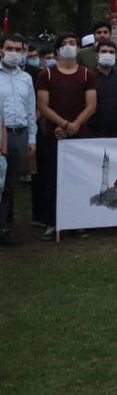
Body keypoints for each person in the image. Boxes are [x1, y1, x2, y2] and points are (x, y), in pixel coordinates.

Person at [35, 34, 96, 240]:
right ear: (58, 49)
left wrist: (74, 126)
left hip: (78, 134)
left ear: (79, 48)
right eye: (65, 44)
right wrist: (63, 125)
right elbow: (43, 105)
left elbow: (91, 105)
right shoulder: (47, 75)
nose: (69, 47)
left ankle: (77, 221)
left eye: (73, 44)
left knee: (78, 178)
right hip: (53, 134)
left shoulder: (87, 74)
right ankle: (53, 222)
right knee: (52, 179)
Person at [1, 34, 36, 243]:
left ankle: (5, 226)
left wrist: (32, 139)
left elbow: (31, 111)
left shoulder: (26, 78)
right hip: (0, 135)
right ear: (1, 50)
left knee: (11, 184)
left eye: (18, 49)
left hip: (20, 135)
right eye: (10, 48)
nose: (14, 53)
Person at [89, 40, 117, 138]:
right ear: (96, 55)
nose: (108, 54)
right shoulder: (88, 76)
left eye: (111, 52)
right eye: (104, 52)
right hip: (92, 131)